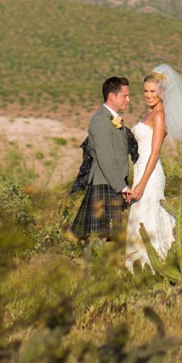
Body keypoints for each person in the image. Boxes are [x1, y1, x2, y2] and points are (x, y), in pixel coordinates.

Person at [124, 64, 182, 269]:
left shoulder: (159, 116)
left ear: (162, 92)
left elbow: (155, 152)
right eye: (145, 91)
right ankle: (139, 265)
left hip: (150, 174)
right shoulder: (148, 114)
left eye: (152, 91)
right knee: (139, 215)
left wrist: (141, 184)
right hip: (140, 170)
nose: (148, 95)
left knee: (147, 215)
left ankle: (154, 264)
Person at [72, 76, 132, 243]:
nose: (128, 100)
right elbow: (105, 157)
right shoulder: (100, 120)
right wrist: (122, 186)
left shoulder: (110, 118)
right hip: (104, 182)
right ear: (112, 96)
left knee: (106, 238)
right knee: (98, 238)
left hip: (111, 182)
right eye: (125, 96)